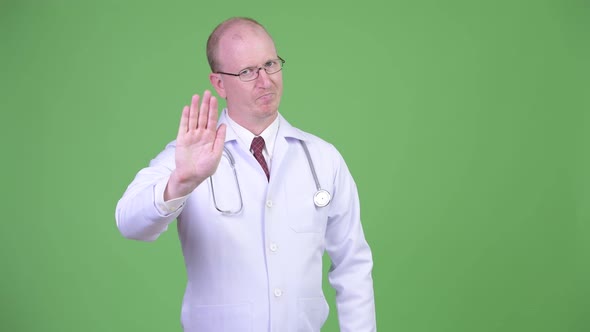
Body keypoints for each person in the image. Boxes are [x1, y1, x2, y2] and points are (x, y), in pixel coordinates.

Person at [115, 17, 376, 332]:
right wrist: (181, 183)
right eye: (247, 71)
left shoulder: (322, 158)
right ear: (220, 83)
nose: (265, 81)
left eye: (270, 64)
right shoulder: (190, 157)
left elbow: (352, 266)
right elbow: (129, 223)